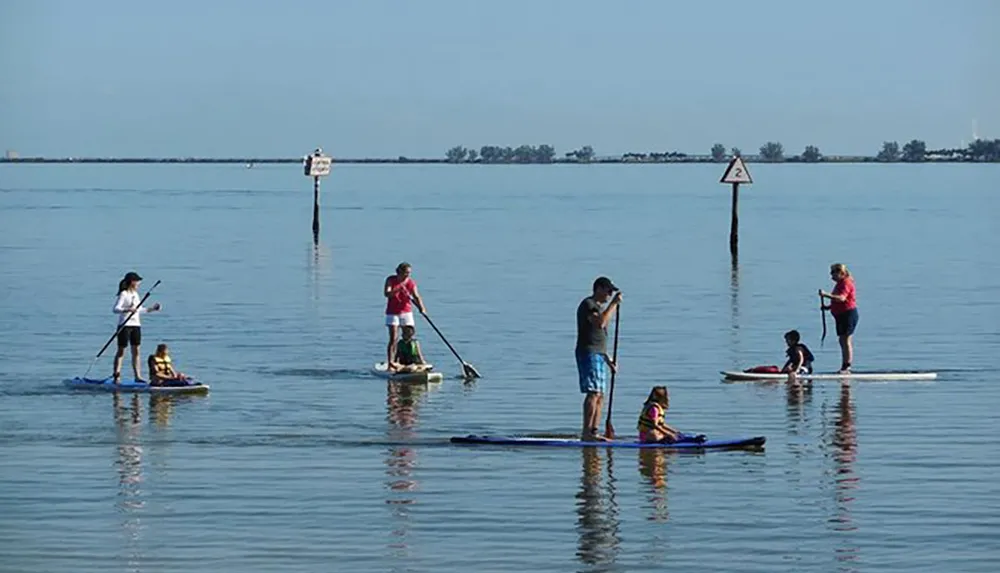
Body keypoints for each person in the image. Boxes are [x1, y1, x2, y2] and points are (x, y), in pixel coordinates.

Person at [576, 276, 622, 442]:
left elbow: (600, 338)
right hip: (588, 353)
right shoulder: (589, 305)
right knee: (593, 392)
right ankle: (587, 431)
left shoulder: (598, 307)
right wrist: (614, 304)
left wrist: (609, 360)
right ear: (598, 289)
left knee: (601, 394)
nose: (609, 295)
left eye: (611, 292)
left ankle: (594, 430)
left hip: (599, 355)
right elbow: (600, 323)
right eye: (608, 291)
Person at [112, 271, 160, 383]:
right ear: (132, 282)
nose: (139, 283)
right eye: (137, 281)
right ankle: (116, 376)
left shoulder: (136, 294)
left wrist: (152, 309)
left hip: (136, 325)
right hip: (125, 325)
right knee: (121, 351)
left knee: (136, 351)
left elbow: (139, 310)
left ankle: (137, 376)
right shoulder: (124, 294)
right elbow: (115, 309)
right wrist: (127, 310)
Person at [384, 262, 427, 368]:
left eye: (409, 273)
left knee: (409, 336)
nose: (407, 275)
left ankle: (413, 359)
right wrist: (398, 289)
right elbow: (387, 294)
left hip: (406, 312)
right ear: (399, 272)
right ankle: (391, 362)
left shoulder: (410, 283)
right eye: (406, 273)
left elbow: (416, 296)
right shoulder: (391, 280)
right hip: (393, 312)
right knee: (394, 337)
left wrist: (422, 308)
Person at [820, 263, 859, 373]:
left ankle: (847, 366)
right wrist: (828, 307)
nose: (831, 276)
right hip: (840, 315)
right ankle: (844, 366)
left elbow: (842, 298)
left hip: (848, 314)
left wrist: (826, 295)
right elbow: (839, 301)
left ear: (841, 273)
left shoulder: (846, 283)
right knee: (842, 340)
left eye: (833, 273)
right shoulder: (839, 284)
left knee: (846, 340)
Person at [637, 386, 707, 444]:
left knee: (679, 435)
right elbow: (655, 425)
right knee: (676, 439)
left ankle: (693, 439)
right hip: (650, 437)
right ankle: (695, 441)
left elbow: (661, 424)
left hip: (647, 435)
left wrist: (675, 431)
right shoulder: (654, 409)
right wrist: (669, 434)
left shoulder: (652, 406)